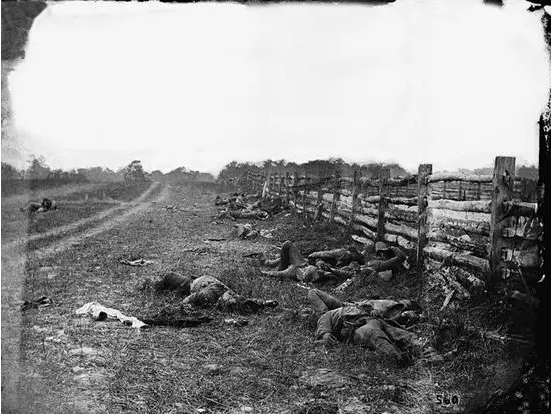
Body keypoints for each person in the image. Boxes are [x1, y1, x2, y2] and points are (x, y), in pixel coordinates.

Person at [313, 297, 441, 366]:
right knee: (376, 337)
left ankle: (429, 353)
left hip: (376, 319)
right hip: (358, 328)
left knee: (404, 335)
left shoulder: (351, 305)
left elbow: (372, 306)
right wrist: (325, 334)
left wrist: (371, 310)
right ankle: (407, 361)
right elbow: (324, 328)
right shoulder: (327, 315)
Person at [307, 288, 421, 327]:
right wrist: (373, 309)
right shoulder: (391, 303)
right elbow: (372, 305)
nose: (405, 304)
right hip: (347, 307)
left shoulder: (397, 314)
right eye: (407, 302)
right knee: (313, 293)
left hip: (351, 312)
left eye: (408, 304)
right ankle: (324, 316)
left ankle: (324, 317)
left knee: (313, 293)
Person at [181, 275, 278, 313]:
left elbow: (245, 301)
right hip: (196, 283)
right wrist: (187, 307)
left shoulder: (230, 294)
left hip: (209, 280)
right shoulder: (208, 295)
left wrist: (264, 303)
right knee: (170, 277)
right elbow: (187, 300)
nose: (232, 298)